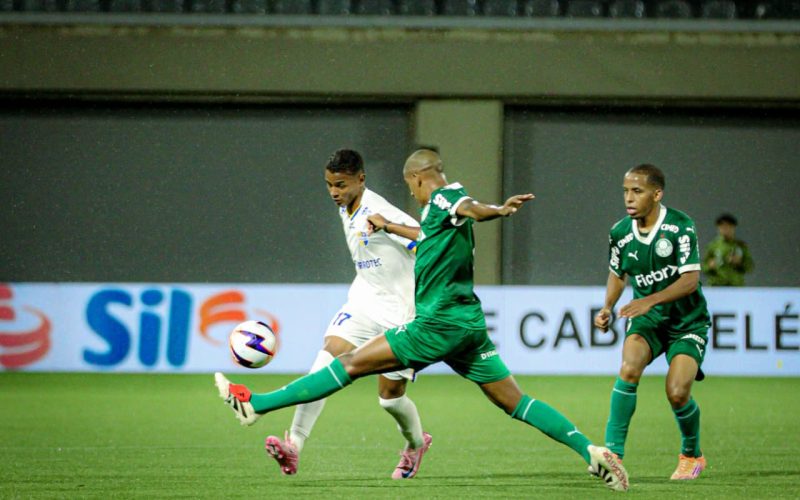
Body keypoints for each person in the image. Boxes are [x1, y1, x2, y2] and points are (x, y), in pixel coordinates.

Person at [215, 149, 629, 492]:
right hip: (468, 324)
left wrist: (498, 211)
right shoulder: (438, 208)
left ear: (415, 180)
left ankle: (257, 405)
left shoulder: (444, 200)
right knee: (515, 401)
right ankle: (592, 452)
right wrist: (390, 225)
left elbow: (469, 209)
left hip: (432, 324)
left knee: (351, 366)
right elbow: (430, 231)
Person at [263, 149, 431, 479]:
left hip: (401, 311)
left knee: (390, 399)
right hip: (364, 300)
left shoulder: (379, 210)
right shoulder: (346, 206)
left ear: (361, 179)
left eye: (340, 185)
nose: (334, 192)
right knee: (324, 364)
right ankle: (294, 445)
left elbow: (429, 240)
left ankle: (415, 443)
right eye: (328, 185)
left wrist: (391, 229)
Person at [594, 164, 710, 481]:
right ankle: (612, 454)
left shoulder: (679, 226)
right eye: (625, 191)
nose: (628, 198)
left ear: (657, 194)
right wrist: (606, 307)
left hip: (687, 322)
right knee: (629, 367)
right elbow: (618, 274)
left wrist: (648, 299)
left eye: (637, 191)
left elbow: (690, 281)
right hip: (649, 322)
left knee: (676, 392)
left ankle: (692, 455)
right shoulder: (619, 232)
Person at [702, 213, 754, 286]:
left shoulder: (740, 246)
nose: (725, 229)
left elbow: (750, 267)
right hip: (716, 285)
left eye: (728, 226)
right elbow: (703, 267)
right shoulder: (713, 246)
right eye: (722, 227)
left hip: (735, 285)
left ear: (733, 227)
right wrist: (710, 266)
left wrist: (739, 263)